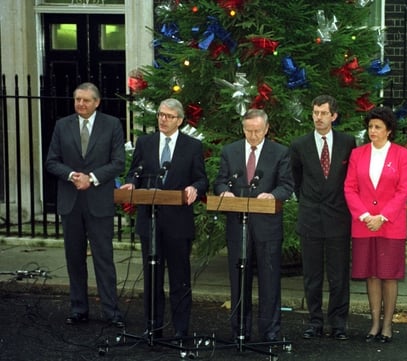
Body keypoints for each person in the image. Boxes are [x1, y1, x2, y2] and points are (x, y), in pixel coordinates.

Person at [120, 98, 208, 339]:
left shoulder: (192, 146)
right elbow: (134, 172)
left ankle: (181, 330)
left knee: (180, 279)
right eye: (160, 114)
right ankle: (153, 326)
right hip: (150, 221)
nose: (162, 119)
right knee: (152, 277)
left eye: (168, 116)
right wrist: (131, 183)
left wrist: (194, 188)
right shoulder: (145, 143)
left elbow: (201, 179)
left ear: (179, 120)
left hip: (178, 222)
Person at [45, 82, 126, 328]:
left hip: (98, 201)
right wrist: (72, 176)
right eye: (78, 99)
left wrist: (90, 178)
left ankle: (111, 312)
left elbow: (118, 162)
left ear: (97, 102)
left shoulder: (112, 125)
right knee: (74, 259)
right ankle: (79, 309)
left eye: (86, 100)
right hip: (71, 203)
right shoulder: (62, 125)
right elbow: (51, 161)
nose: (81, 104)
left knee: (104, 259)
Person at [213, 108, 294, 342]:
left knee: (269, 282)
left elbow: (287, 185)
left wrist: (273, 195)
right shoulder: (230, 151)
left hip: (267, 225)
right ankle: (240, 330)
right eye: (249, 131)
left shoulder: (280, 152)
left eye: (258, 131)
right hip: (238, 226)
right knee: (239, 280)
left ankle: (269, 333)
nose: (253, 135)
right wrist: (224, 192)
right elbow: (220, 181)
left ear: (267, 128)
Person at [343, 106, 407, 344]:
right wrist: (364, 215)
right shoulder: (358, 154)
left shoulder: (403, 155)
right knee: (371, 274)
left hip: (390, 224)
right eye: (370, 126)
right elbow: (349, 187)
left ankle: (387, 325)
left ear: (389, 131)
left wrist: (382, 216)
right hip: (364, 224)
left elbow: (403, 190)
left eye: (377, 127)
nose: (372, 131)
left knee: (389, 275)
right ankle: (373, 324)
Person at [289, 95, 356, 341]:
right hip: (311, 218)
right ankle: (314, 321)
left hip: (338, 217)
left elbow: (351, 179)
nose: (318, 117)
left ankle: (338, 323)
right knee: (312, 275)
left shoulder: (348, 142)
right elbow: (296, 179)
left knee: (339, 275)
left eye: (323, 113)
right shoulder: (300, 144)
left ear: (333, 116)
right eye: (315, 112)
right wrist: (307, 201)